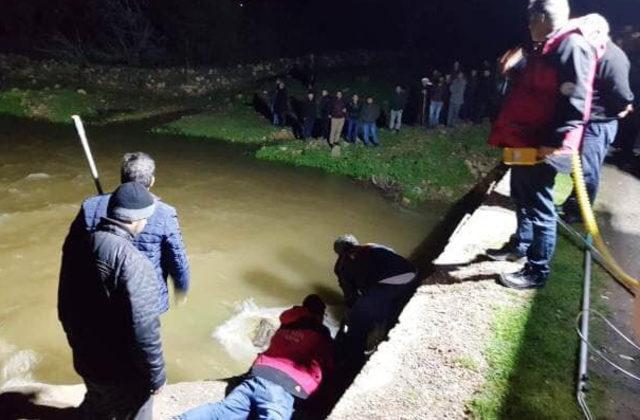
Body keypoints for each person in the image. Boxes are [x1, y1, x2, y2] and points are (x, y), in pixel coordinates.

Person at [486, 3, 608, 289]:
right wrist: (512, 72)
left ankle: (536, 269)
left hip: (544, 145)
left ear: (541, 18)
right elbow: (537, 90)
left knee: (540, 205)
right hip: (524, 141)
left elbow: (577, 100)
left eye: (530, 21)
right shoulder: (549, 46)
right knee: (520, 193)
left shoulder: (572, 46)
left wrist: (555, 143)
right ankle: (520, 243)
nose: (528, 27)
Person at [59, 182, 166, 420]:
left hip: (87, 357)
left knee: (98, 404)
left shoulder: (79, 245)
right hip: (122, 371)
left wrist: (76, 342)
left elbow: (64, 306)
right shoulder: (134, 262)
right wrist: (157, 374)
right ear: (138, 219)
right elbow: (145, 328)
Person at [175, 295, 334, 420]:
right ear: (319, 314)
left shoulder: (287, 324)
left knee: (223, 410)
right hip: (285, 386)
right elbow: (326, 365)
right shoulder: (320, 333)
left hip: (259, 375)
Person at [68, 152, 190, 313]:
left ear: (121, 177)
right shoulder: (165, 213)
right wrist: (181, 290)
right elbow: (177, 259)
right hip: (146, 298)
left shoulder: (91, 206)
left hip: (103, 294)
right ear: (152, 181)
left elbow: (74, 253)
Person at [560, 39, 635, 222]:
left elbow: (622, 93)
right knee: (578, 166)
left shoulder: (613, 57)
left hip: (599, 123)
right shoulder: (587, 52)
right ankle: (572, 205)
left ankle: (579, 212)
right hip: (584, 120)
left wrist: (624, 106)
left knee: (587, 169)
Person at [333, 235, 417, 371]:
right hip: (411, 272)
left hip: (391, 283)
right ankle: (384, 319)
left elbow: (350, 295)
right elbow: (391, 256)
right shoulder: (373, 245)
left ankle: (357, 357)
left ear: (339, 252)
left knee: (358, 318)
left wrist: (352, 310)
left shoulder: (342, 265)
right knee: (378, 300)